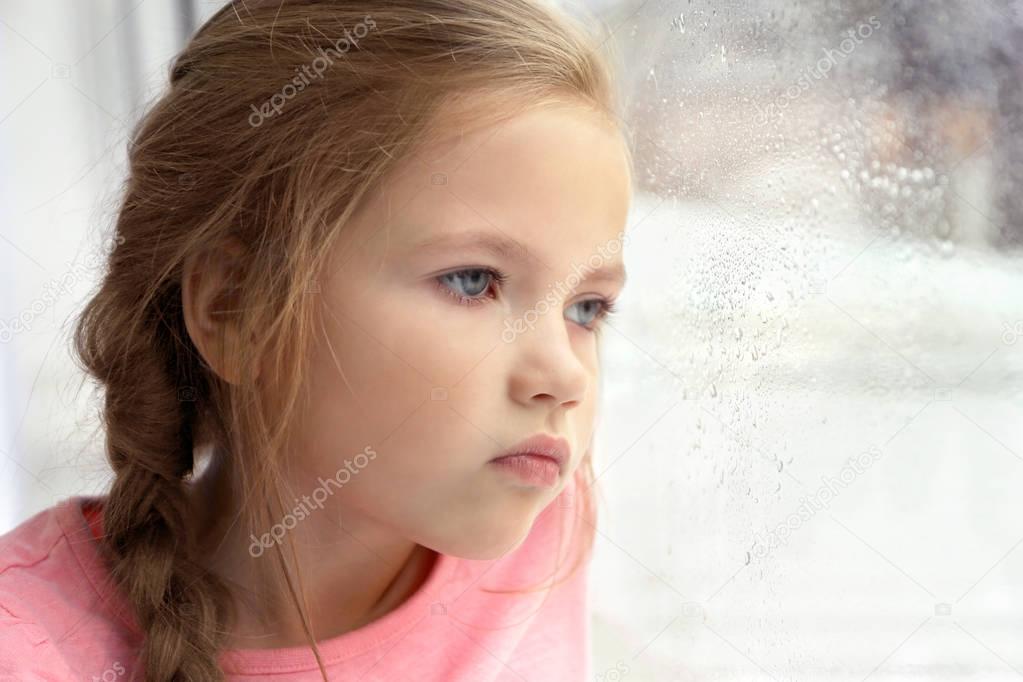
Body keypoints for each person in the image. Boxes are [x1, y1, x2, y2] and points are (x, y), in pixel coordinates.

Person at [0, 1, 633, 679]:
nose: (565, 378)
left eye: (586, 307)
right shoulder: (28, 651)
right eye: (472, 281)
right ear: (236, 309)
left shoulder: (541, 528)